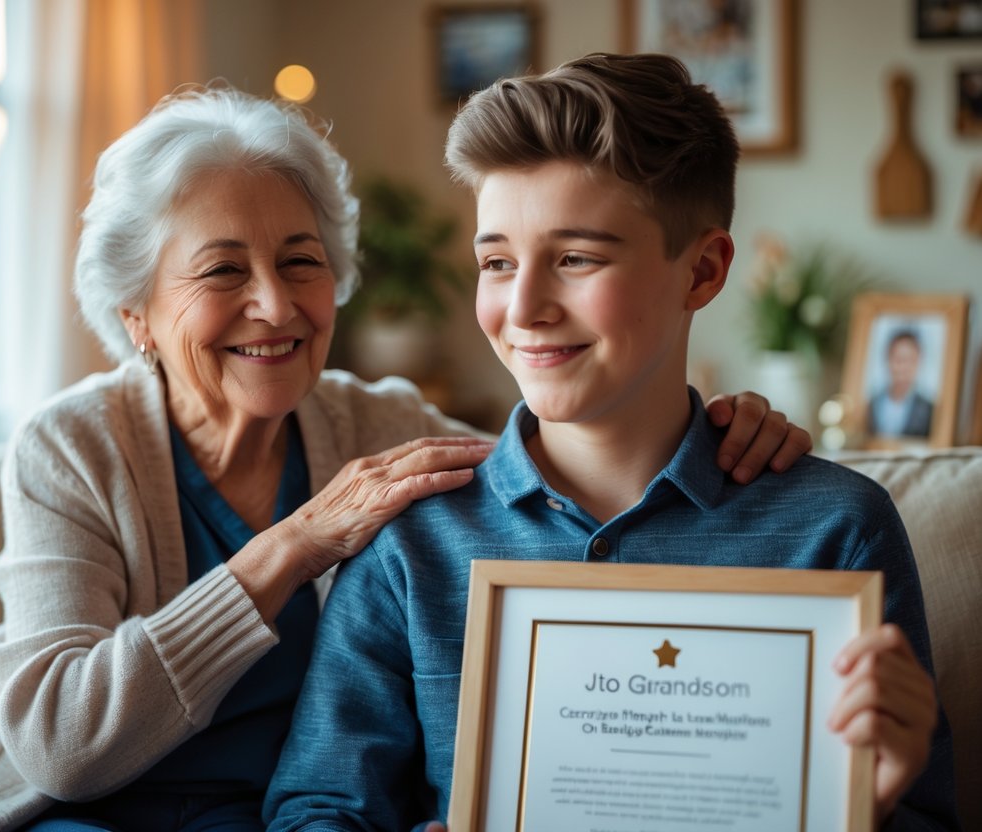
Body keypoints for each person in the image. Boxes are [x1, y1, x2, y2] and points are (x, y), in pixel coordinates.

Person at [0, 86, 811, 832]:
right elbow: (61, 747)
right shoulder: (74, 446)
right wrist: (293, 545)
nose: (275, 304)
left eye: (300, 262)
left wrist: (728, 429)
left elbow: (569, 437)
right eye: (222, 271)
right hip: (74, 813)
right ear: (136, 312)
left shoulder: (380, 428)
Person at [266, 54, 957, 831]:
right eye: (495, 262)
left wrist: (878, 798)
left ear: (701, 271)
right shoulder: (411, 544)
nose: (521, 307)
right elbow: (317, 810)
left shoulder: (835, 529)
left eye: (574, 259)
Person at [868, 328, 935, 438]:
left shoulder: (929, 410)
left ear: (918, 363)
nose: (903, 368)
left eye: (909, 361)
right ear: (887, 360)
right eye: (898, 360)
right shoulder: (870, 405)